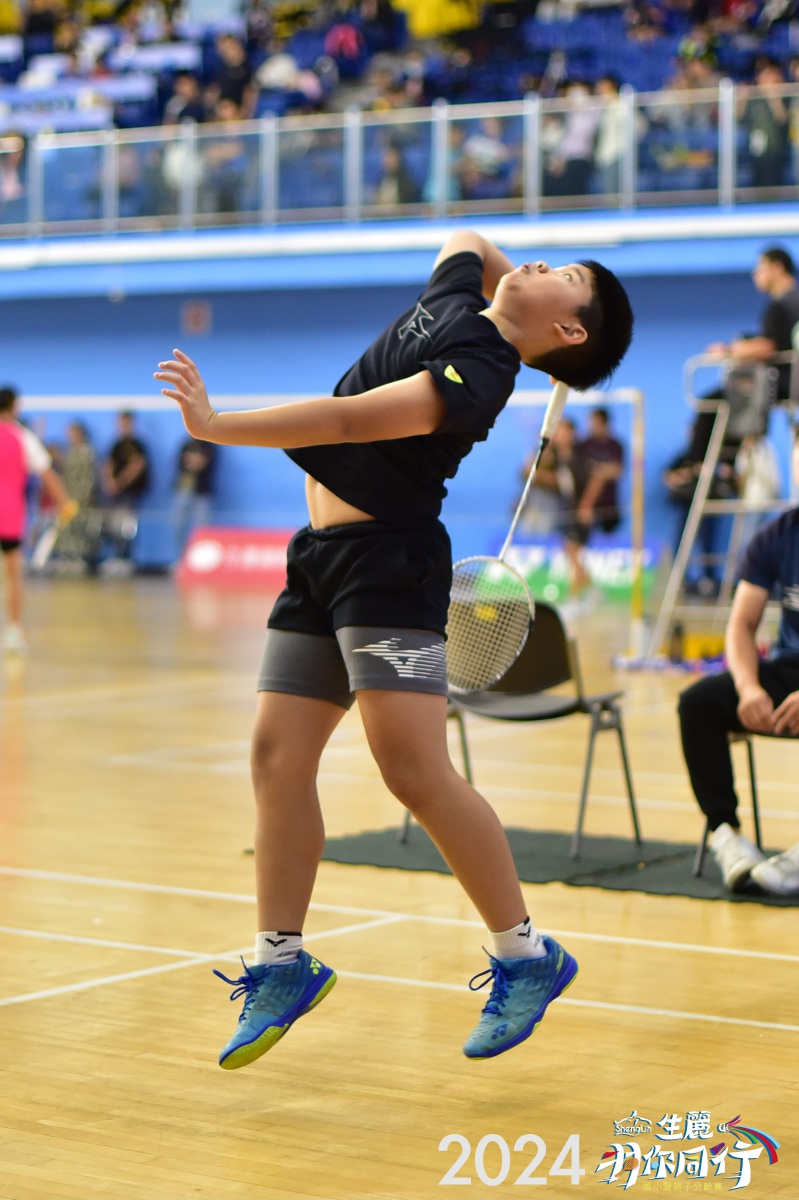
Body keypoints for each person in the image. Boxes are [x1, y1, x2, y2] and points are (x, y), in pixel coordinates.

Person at [155, 233, 634, 1068]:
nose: (534, 265)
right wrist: (522, 292)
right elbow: (468, 240)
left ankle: (526, 954)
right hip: (320, 559)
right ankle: (281, 964)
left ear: (568, 331)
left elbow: (347, 420)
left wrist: (216, 425)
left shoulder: (482, 373)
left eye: (562, 277)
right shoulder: (457, 302)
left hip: (389, 564)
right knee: (275, 757)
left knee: (412, 770)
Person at [677, 427, 799, 896]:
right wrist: (749, 687)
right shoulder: (778, 535)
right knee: (699, 703)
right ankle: (725, 834)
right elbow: (742, 625)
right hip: (789, 670)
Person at [0, 386, 73, 651]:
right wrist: (65, 503)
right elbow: (47, 473)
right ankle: (13, 630)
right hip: (9, 515)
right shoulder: (22, 437)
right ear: (14, 407)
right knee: (14, 575)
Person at [101, 411, 150, 572]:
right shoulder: (116, 445)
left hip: (130, 493)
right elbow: (108, 464)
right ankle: (115, 556)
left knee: (127, 526)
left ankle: (126, 557)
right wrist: (110, 482)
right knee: (113, 524)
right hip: (115, 494)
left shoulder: (137, 445)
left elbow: (137, 466)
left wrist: (121, 482)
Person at [172, 436, 216, 559]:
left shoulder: (208, 445)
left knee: (203, 527)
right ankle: (182, 557)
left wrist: (193, 460)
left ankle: (199, 559)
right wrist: (195, 460)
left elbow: (203, 463)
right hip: (183, 489)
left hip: (201, 492)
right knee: (177, 524)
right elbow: (180, 461)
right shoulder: (186, 445)